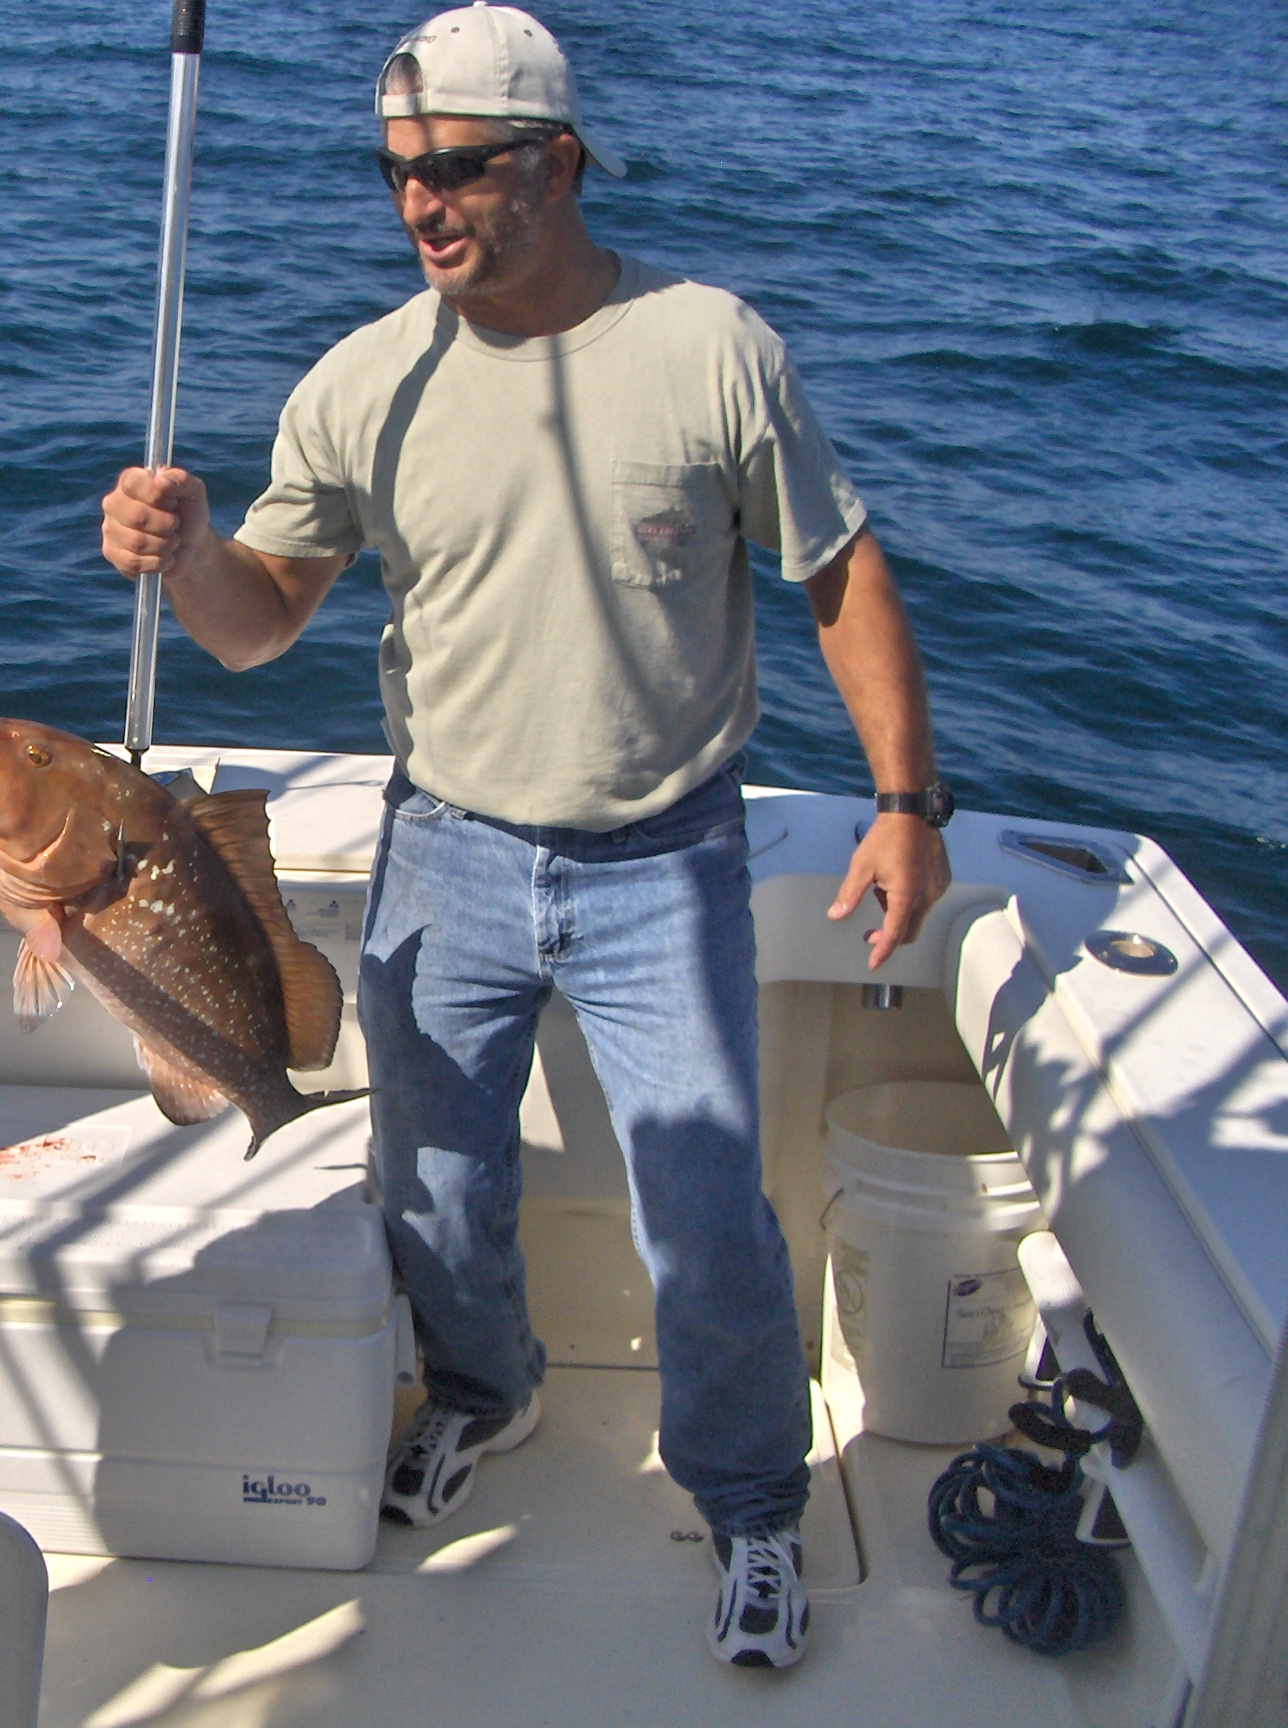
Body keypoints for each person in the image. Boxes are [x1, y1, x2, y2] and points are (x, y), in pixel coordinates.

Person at [100, 2, 952, 1670]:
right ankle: (481, 1391)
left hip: (667, 854)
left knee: (703, 1208)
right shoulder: (362, 381)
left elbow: (836, 570)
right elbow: (258, 619)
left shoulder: (708, 347)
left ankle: (750, 1499)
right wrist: (188, 548)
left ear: (557, 162)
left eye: (462, 170)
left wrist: (905, 804)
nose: (422, 206)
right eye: (398, 173)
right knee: (428, 1185)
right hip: (448, 847)